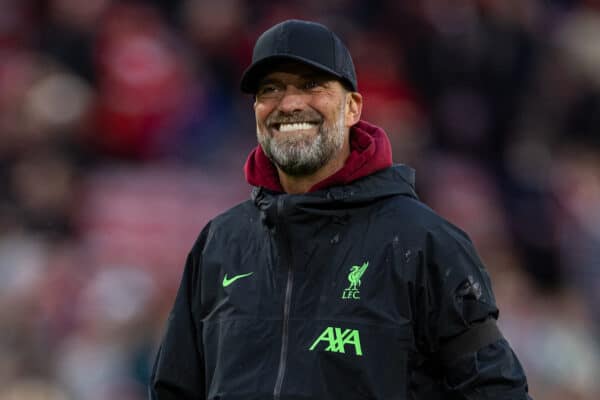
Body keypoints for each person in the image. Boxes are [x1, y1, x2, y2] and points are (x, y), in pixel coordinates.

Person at [149, 19, 532, 399]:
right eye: (271, 89)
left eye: (311, 85)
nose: (290, 103)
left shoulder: (424, 243)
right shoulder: (219, 243)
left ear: (352, 108)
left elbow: (498, 393)